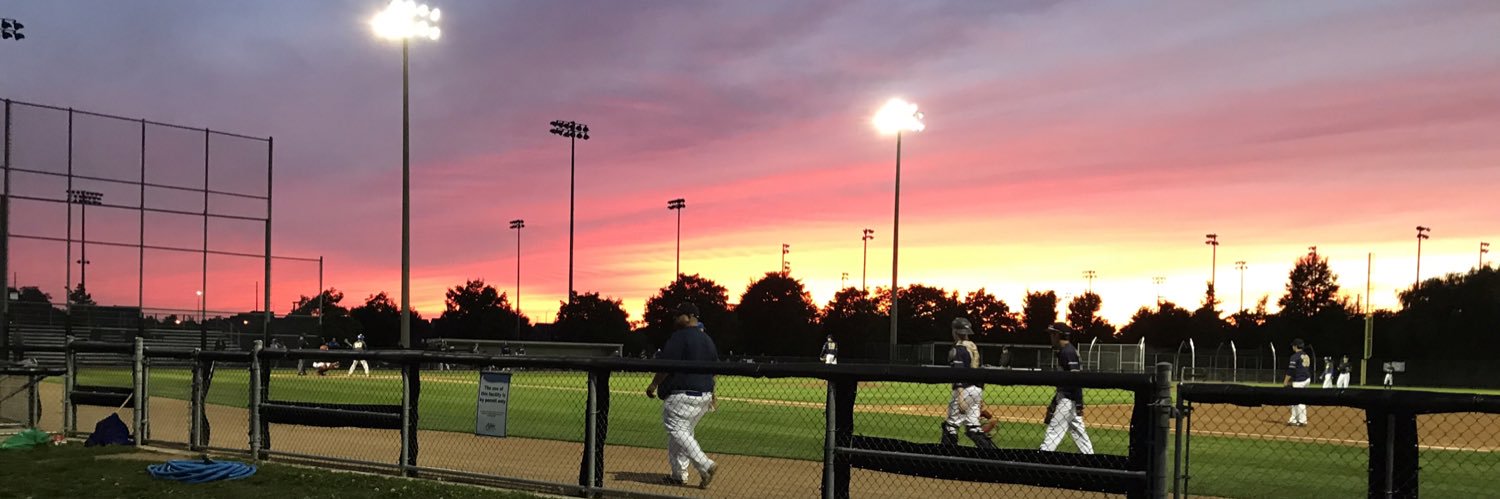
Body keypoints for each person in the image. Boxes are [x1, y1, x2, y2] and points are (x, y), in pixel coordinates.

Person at [644, 302, 720, 489]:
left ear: (689, 316)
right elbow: (714, 369)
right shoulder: (707, 339)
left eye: (679, 315)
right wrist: (713, 393)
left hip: (681, 396)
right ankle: (678, 475)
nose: (675, 318)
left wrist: (653, 384)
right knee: (682, 435)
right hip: (703, 397)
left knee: (677, 430)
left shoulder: (680, 336)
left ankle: (706, 465)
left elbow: (666, 364)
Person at [941, 318, 998, 449]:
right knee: (973, 426)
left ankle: (946, 455)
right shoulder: (973, 347)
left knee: (951, 425)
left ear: (954, 331)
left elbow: (959, 374)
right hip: (976, 389)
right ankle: (991, 453)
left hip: (964, 389)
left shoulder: (958, 349)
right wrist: (978, 399)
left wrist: (961, 396)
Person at [1041, 322, 1094, 454]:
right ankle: (1090, 458)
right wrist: (1054, 403)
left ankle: (1042, 458)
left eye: (1052, 334)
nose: (1050, 337)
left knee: (1053, 432)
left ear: (1058, 335)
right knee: (1079, 433)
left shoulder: (1068, 352)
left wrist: (1079, 403)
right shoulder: (1064, 351)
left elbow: (1076, 379)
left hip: (1068, 399)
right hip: (1067, 398)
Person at [1284, 338, 1312, 426]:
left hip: (1300, 380)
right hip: (1307, 379)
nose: (1292, 347)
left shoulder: (1295, 356)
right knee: (1295, 399)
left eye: (1293, 345)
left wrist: (1285, 381)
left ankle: (1302, 420)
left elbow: (1291, 370)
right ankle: (1294, 419)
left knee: (1299, 400)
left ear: (1296, 346)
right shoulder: (1306, 355)